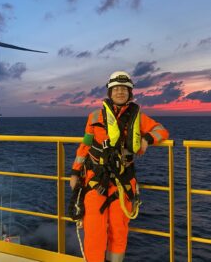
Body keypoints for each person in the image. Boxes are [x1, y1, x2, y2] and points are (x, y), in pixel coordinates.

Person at [70, 71, 169, 262]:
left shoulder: (138, 117)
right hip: (94, 179)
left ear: (130, 93)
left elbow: (161, 130)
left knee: (118, 230)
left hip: (122, 181)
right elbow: (85, 146)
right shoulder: (94, 117)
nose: (120, 92)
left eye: (124, 89)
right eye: (116, 89)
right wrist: (75, 172)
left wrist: (147, 139)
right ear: (110, 92)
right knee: (94, 230)